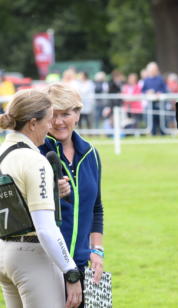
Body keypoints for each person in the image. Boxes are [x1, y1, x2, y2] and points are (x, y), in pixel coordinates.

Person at [0, 89, 82, 308]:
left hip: (5, 254)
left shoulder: (3, 152)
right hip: (32, 256)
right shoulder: (34, 161)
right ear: (33, 123)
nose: (51, 126)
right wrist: (70, 271)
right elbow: (45, 228)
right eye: (48, 120)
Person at [39, 83, 104, 308]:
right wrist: (51, 193)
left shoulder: (91, 154)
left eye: (65, 114)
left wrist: (96, 250)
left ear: (77, 114)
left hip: (83, 263)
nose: (58, 122)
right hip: (46, 265)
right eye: (52, 115)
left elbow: (96, 208)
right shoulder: (35, 152)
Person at [140, 62, 168, 135]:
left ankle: (163, 133)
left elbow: (165, 90)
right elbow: (143, 91)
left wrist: (160, 92)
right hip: (150, 104)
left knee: (162, 119)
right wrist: (148, 92)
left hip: (160, 104)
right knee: (151, 120)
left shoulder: (160, 79)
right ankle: (153, 133)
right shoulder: (146, 80)